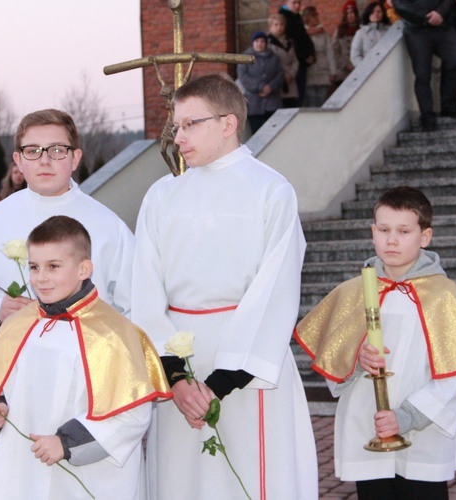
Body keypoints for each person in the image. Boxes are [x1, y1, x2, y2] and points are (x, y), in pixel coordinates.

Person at [132, 74, 318, 499]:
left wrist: (217, 384)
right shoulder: (162, 195)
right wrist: (177, 377)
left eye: (191, 124)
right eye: (175, 126)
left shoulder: (271, 190)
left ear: (229, 123)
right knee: (180, 481)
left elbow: (275, 291)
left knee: (250, 478)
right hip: (178, 359)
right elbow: (142, 292)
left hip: (248, 363)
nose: (178, 137)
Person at [0, 108, 135, 499]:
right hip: (18, 387)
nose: (44, 160)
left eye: (56, 149)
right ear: (17, 161)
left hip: (84, 384)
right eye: (32, 150)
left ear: (76, 157)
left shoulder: (108, 225)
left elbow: (131, 309)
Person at [294, 186, 456, 500]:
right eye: (384, 229)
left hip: (424, 432)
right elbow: (332, 359)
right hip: (368, 427)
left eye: (404, 231)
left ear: (425, 236)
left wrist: (408, 417)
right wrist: (354, 358)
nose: (392, 240)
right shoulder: (354, 292)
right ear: (372, 232)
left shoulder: (444, 296)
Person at [0, 215, 171, 499]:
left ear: (84, 268)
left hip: (86, 476)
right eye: (34, 267)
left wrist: (67, 443)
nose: (41, 278)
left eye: (53, 267)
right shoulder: (18, 324)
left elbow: (131, 414)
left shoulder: (113, 333)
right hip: (23, 470)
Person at [393, 0, 456, 131]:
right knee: (422, 75)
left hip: (443, 26)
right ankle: (427, 116)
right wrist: (427, 17)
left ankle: (449, 105)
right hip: (416, 31)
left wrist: (440, 13)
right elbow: (400, 4)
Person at [237, 31, 284, 133]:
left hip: (273, 102)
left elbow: (280, 75)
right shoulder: (245, 58)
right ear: (253, 43)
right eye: (257, 41)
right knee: (257, 132)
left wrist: (270, 87)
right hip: (254, 102)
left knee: (274, 132)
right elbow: (243, 76)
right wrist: (260, 86)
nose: (260, 43)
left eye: (262, 41)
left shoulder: (274, 57)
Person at [280, 0, 316, 106]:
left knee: (300, 97)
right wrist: (304, 57)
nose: (297, 6)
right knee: (294, 100)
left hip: (301, 64)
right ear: (286, 2)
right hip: (291, 66)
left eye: (299, 3)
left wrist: (311, 54)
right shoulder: (284, 17)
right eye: (294, 3)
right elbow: (292, 43)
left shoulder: (297, 17)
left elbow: (304, 38)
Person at [303, 6, 338, 107]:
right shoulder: (303, 33)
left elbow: (329, 52)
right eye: (314, 15)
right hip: (310, 72)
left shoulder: (323, 33)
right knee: (312, 103)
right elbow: (252, 61)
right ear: (308, 17)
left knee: (324, 102)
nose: (316, 18)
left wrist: (333, 71)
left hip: (323, 71)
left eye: (317, 15)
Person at [268, 13, 301, 108]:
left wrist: (291, 74)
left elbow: (295, 60)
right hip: (276, 81)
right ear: (270, 26)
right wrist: (282, 75)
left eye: (282, 24)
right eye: (276, 24)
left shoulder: (289, 41)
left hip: (290, 80)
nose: (279, 27)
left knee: (292, 107)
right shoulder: (267, 42)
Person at [350, 2, 391, 67]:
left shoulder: (389, 31)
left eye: (379, 11)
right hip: (370, 71)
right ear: (368, 14)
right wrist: (366, 67)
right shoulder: (361, 33)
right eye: (372, 12)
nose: (376, 14)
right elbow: (355, 56)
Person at [332, 0, 361, 83]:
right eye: (348, 13)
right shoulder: (340, 30)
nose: (350, 16)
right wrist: (346, 65)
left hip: (359, 68)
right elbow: (335, 50)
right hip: (343, 72)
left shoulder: (361, 29)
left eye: (352, 13)